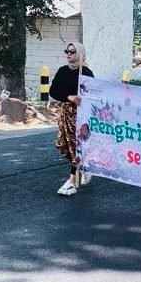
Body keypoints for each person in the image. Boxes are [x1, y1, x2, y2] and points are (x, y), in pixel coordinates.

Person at [51, 42, 95, 196]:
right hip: (66, 114)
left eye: (72, 51)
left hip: (80, 115)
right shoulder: (62, 71)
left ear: (80, 54)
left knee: (76, 145)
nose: (69, 54)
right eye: (67, 51)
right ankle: (84, 167)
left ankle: (71, 180)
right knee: (64, 144)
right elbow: (53, 91)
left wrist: (81, 98)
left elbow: (92, 94)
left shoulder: (86, 73)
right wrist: (68, 97)